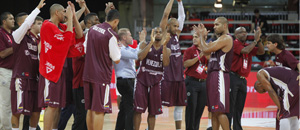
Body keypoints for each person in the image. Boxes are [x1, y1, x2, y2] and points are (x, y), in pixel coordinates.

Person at [38, 2, 84, 130]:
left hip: (59, 71)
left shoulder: (61, 27)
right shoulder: (47, 25)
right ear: (57, 13)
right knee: (51, 106)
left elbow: (79, 35)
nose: (65, 14)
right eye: (64, 12)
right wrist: (70, 19)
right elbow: (67, 39)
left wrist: (73, 16)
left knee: (57, 106)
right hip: (49, 71)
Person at [82, 9, 121, 130]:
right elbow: (116, 59)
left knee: (90, 108)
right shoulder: (111, 34)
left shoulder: (92, 29)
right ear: (115, 21)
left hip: (88, 74)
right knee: (99, 110)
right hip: (101, 77)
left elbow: (85, 49)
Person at [193, 17, 233, 130]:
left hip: (219, 74)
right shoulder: (219, 40)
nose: (214, 26)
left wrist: (201, 37)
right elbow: (207, 54)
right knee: (214, 111)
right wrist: (203, 38)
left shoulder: (226, 38)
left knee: (220, 111)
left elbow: (205, 49)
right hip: (212, 74)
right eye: (214, 24)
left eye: (217, 24)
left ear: (225, 26)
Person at [10, 1, 45, 130]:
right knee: (17, 111)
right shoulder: (17, 36)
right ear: (21, 24)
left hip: (35, 80)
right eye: (28, 21)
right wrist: (37, 8)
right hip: (21, 79)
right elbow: (27, 23)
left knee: (36, 111)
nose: (31, 22)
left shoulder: (34, 39)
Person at [227, 26, 264, 130]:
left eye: (245, 32)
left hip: (243, 79)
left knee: (239, 106)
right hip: (233, 77)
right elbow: (245, 51)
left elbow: (261, 52)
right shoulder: (234, 43)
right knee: (231, 105)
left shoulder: (248, 45)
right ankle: (227, 127)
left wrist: (259, 39)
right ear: (236, 35)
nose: (244, 33)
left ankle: (237, 128)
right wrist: (255, 41)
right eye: (241, 32)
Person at [133, 28, 171, 130]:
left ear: (163, 35)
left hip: (156, 82)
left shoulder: (166, 49)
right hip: (142, 80)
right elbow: (140, 57)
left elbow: (166, 63)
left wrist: (164, 45)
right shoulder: (144, 44)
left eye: (160, 32)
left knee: (153, 112)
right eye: (156, 32)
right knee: (138, 110)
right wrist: (151, 43)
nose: (158, 34)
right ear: (152, 34)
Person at [159, 0, 187, 129]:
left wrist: (180, 3)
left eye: (177, 26)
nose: (177, 28)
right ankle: (150, 126)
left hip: (179, 76)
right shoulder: (164, 34)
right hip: (167, 76)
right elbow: (165, 15)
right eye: (174, 26)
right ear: (168, 25)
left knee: (180, 105)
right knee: (160, 105)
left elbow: (182, 17)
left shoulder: (176, 35)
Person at [183, 32, 209, 130]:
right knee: (191, 109)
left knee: (199, 110)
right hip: (192, 82)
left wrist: (204, 51)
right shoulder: (189, 50)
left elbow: (210, 60)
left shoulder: (207, 51)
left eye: (197, 37)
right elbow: (186, 64)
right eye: (193, 37)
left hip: (203, 82)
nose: (194, 39)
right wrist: (199, 56)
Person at [114, 28, 137, 130]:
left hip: (127, 81)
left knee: (124, 108)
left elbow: (137, 51)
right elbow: (137, 55)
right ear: (124, 37)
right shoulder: (120, 48)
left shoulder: (127, 48)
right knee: (130, 109)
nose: (132, 37)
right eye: (130, 35)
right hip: (125, 81)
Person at [0, 11, 15, 130]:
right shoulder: (0, 34)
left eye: (14, 18)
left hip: (14, 73)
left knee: (10, 104)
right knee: (6, 105)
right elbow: (2, 54)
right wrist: (16, 46)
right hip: (4, 72)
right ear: (4, 21)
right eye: (10, 19)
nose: (13, 21)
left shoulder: (13, 34)